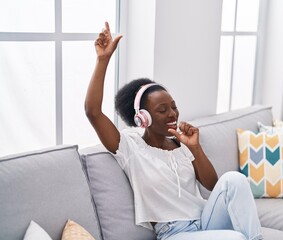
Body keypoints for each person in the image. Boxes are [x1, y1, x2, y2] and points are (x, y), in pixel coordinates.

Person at [85, 22, 263, 240]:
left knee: (234, 179)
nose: (173, 114)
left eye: (174, 107)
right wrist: (102, 60)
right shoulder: (130, 147)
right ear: (143, 118)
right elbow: (93, 112)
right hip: (174, 233)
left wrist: (195, 148)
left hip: (206, 220)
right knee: (235, 238)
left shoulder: (182, 144)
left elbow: (213, 186)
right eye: (162, 110)